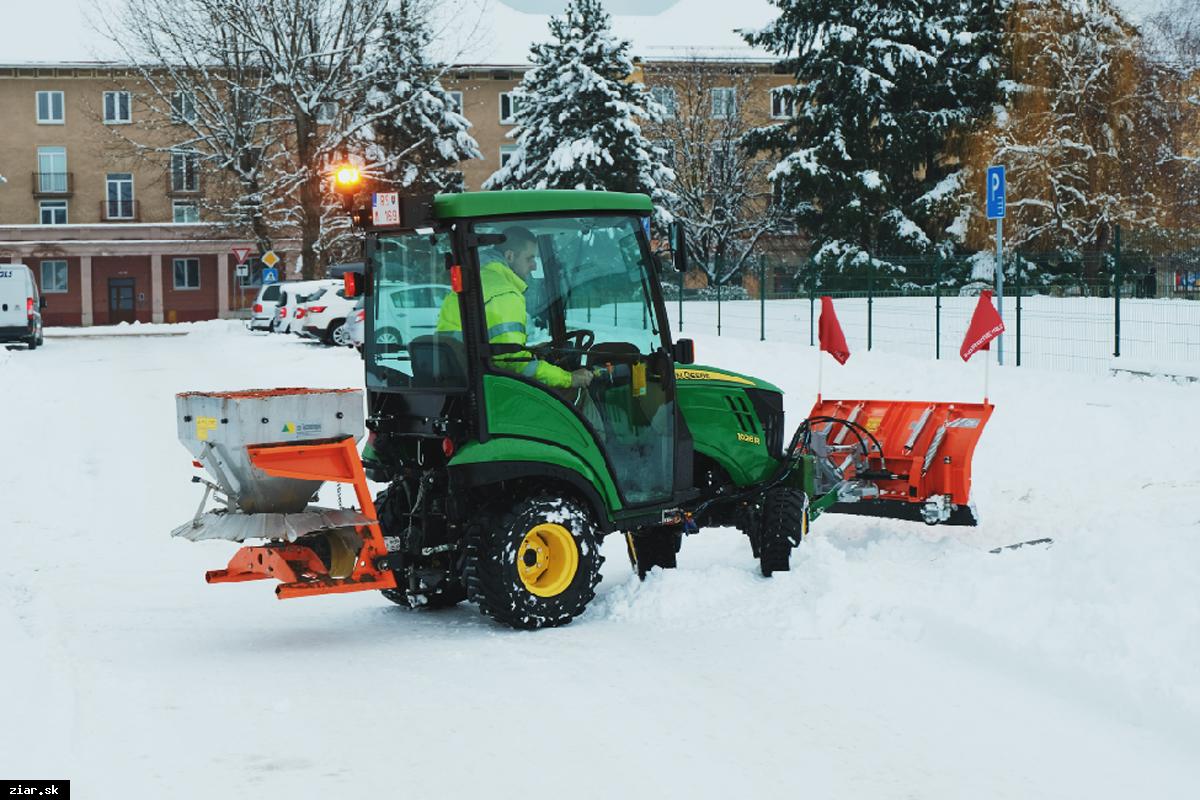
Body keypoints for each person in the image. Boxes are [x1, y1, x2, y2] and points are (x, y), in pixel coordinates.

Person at [436, 226, 593, 389]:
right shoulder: (505, 293)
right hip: (494, 391)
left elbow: (493, 348)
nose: (534, 266)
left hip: (465, 383)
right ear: (510, 256)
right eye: (529, 258)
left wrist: (529, 351)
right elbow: (515, 363)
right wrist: (568, 378)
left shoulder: (473, 283)